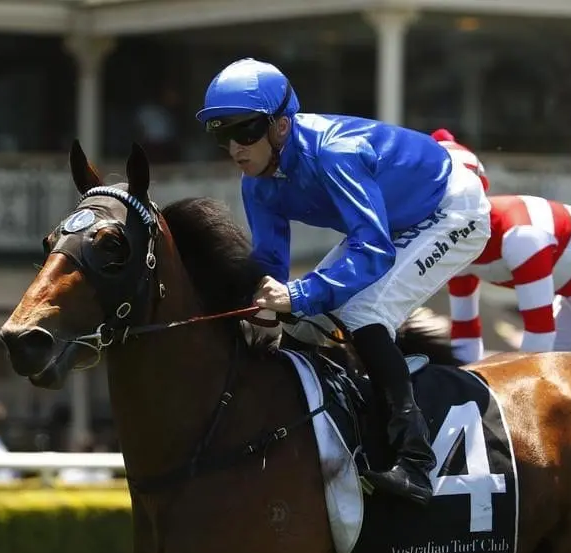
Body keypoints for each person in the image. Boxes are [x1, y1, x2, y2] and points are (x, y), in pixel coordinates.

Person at [196, 58, 492, 506]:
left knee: (362, 310)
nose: (236, 147)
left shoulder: (335, 153)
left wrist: (295, 295)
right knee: (305, 324)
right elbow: (271, 261)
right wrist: (265, 308)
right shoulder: (257, 183)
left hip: (451, 210)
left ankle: (416, 462)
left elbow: (372, 250)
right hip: (393, 219)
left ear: (281, 126)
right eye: (222, 135)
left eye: (246, 132)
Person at [433, 128, 571, 371]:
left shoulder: (522, 236)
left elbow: (539, 336)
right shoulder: (455, 246)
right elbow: (465, 332)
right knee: (560, 377)